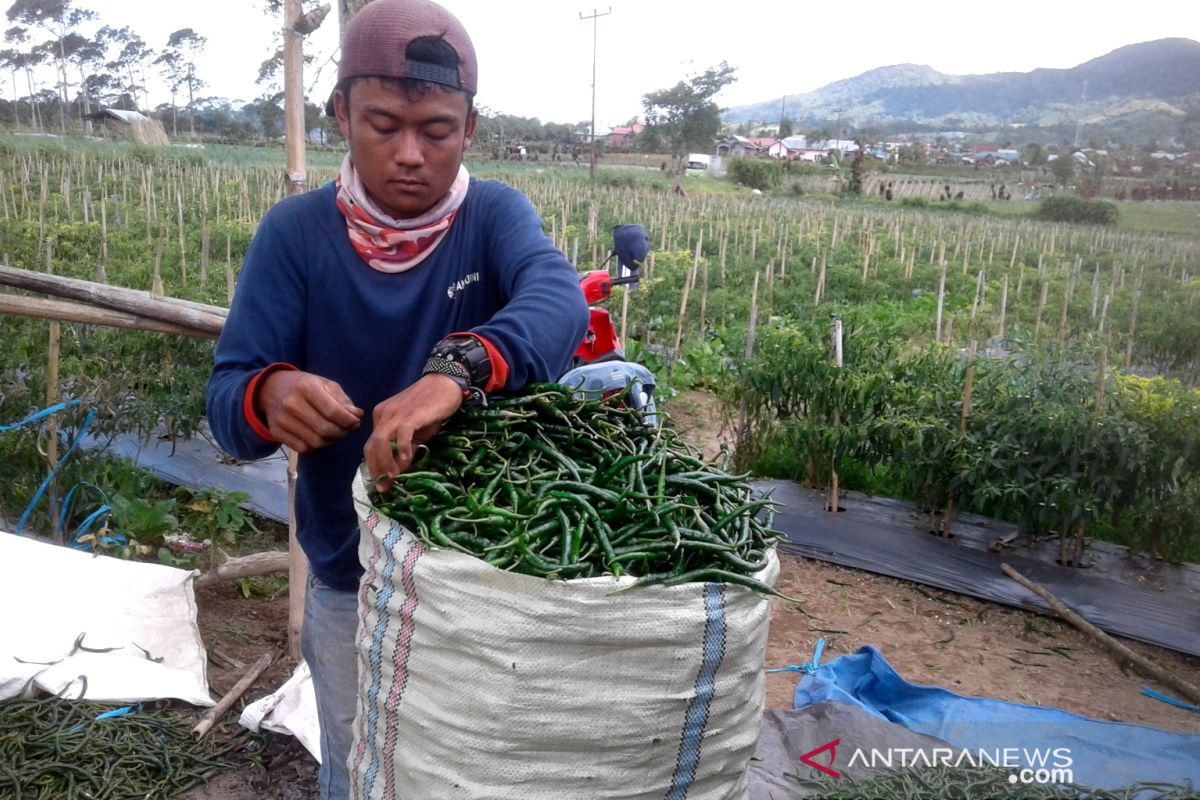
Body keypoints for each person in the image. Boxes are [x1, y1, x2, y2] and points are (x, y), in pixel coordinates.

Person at [204, 1, 588, 796]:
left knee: (472, 767)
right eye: (383, 125)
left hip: (484, 573)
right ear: (341, 111)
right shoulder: (296, 236)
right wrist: (270, 394)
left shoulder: (493, 217)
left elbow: (559, 301)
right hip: (352, 575)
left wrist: (456, 371)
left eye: (437, 131)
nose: (410, 155)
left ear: (470, 129)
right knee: (361, 766)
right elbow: (228, 397)